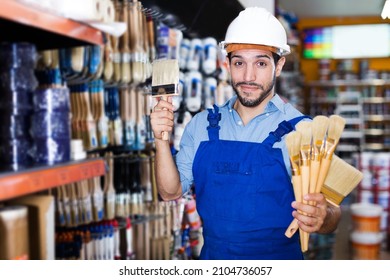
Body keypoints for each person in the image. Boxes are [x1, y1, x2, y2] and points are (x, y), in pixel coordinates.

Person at [150, 7, 341, 260]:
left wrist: (323, 216)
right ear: (227, 64)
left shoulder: (304, 130)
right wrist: (161, 140)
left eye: (261, 63)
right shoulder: (201, 125)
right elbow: (170, 192)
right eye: (239, 62)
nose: (248, 76)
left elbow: (333, 211)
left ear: (279, 65)